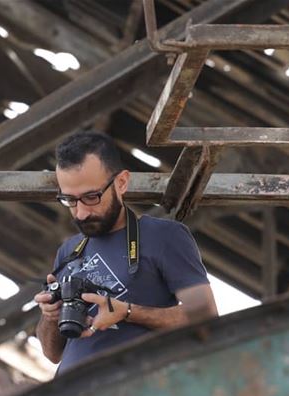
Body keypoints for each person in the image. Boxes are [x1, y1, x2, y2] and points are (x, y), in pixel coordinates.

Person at [35, 130, 217, 375]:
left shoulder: (163, 236)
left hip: (137, 395)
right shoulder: (69, 251)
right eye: (69, 200)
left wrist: (128, 312)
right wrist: (50, 316)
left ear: (121, 182)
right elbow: (53, 354)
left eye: (91, 197)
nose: (80, 213)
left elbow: (205, 316)